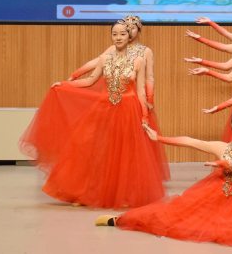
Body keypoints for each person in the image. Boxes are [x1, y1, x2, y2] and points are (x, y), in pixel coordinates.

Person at [20, 20, 167, 208]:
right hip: (105, 108)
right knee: (96, 151)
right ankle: (88, 193)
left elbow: (140, 92)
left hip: (129, 111)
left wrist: (145, 116)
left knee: (126, 154)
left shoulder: (139, 60)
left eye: (122, 34)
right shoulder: (105, 58)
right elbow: (89, 81)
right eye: (114, 34)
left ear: (129, 36)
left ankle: (124, 195)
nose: (118, 37)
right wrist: (66, 84)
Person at [97, 104, 232, 246]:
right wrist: (160, 138)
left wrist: (226, 164)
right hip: (216, 193)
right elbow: (190, 141)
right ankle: (121, 220)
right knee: (174, 215)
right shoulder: (222, 147)